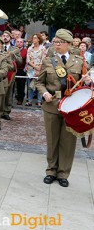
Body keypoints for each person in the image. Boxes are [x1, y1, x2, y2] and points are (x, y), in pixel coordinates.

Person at [36, 29, 86, 188]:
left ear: (69, 44)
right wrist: (44, 94)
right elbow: (39, 82)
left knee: (68, 141)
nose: (56, 45)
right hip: (52, 105)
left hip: (71, 108)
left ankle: (63, 173)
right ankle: (51, 171)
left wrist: (87, 80)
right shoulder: (48, 61)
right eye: (55, 42)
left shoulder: (79, 61)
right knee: (52, 140)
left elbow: (84, 85)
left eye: (60, 42)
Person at [26, 33, 47, 106]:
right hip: (31, 69)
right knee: (30, 86)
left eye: (35, 38)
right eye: (33, 38)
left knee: (39, 85)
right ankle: (29, 101)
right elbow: (28, 60)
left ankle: (39, 101)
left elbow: (43, 59)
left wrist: (39, 69)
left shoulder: (43, 48)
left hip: (40, 69)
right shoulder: (30, 48)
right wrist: (35, 67)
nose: (33, 39)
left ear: (38, 39)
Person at [14, 37, 28, 105]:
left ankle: (20, 99)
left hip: (21, 70)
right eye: (18, 42)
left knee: (21, 85)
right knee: (12, 85)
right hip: (13, 69)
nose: (19, 43)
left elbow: (23, 58)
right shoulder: (12, 49)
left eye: (21, 42)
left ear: (23, 43)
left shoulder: (25, 50)